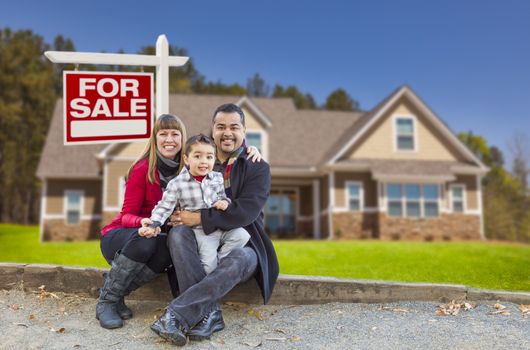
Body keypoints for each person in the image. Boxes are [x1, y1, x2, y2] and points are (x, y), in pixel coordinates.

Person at [96, 113, 264, 330]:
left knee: (168, 248)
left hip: (160, 236)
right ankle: (107, 301)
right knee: (149, 240)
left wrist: (249, 149)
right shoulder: (143, 169)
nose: (169, 139)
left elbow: (221, 150)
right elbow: (126, 215)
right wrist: (147, 222)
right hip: (125, 235)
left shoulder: (192, 167)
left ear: (183, 142)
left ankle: (118, 295)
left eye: (175, 134)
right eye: (163, 134)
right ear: (154, 138)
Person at [151, 103, 279, 346]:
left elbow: (245, 214)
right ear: (213, 129)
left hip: (243, 242)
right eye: (221, 127)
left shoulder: (256, 166)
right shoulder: (198, 157)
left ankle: (177, 314)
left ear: (244, 131)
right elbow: (163, 162)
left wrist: (199, 217)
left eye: (234, 127)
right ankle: (210, 314)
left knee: (241, 258)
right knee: (177, 234)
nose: (227, 132)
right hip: (199, 240)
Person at [143, 134, 250, 275]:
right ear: (187, 159)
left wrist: (224, 202)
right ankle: (213, 270)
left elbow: (222, 196)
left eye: (209, 157)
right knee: (208, 267)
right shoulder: (177, 184)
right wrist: (153, 224)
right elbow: (164, 207)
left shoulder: (217, 178)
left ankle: (222, 259)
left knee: (242, 235)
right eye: (198, 156)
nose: (204, 161)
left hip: (220, 226)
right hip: (201, 231)